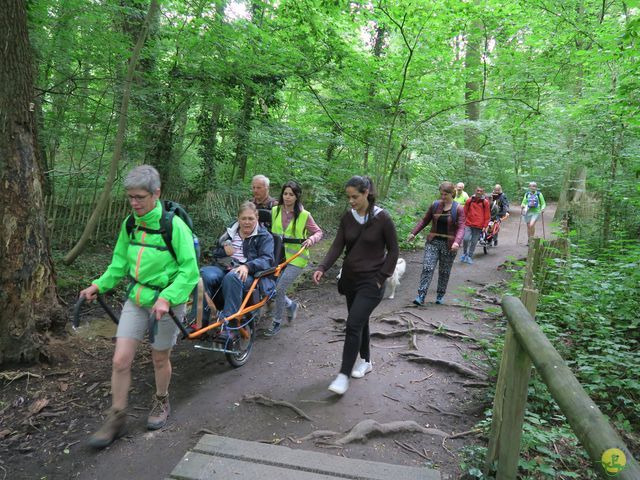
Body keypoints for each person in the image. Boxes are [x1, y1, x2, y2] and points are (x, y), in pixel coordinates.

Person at [79, 165, 199, 448]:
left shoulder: (174, 226)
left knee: (159, 358)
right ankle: (117, 417)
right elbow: (119, 263)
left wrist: (167, 296)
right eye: (130, 197)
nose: (134, 203)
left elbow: (190, 271)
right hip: (136, 299)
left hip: (167, 303)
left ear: (156, 194)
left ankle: (161, 401)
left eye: (140, 197)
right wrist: (99, 285)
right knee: (120, 360)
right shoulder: (130, 224)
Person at [312, 176, 399, 395]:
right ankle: (366, 361)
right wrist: (322, 267)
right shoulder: (347, 219)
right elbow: (336, 246)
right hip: (350, 280)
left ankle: (343, 374)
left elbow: (394, 251)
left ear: (366, 192)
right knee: (359, 321)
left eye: (355, 196)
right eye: (348, 197)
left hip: (372, 282)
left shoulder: (382, 218)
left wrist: (381, 277)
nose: (351, 201)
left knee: (353, 324)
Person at [198, 202, 275, 327]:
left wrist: (247, 266)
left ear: (257, 218)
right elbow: (214, 252)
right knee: (203, 275)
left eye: (251, 219)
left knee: (233, 276)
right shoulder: (229, 233)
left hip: (248, 273)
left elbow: (267, 260)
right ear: (238, 219)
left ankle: (230, 323)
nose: (247, 222)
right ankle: (199, 320)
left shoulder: (265, 236)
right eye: (243, 218)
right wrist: (224, 250)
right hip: (223, 267)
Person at [264, 181, 323, 337]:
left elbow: (318, 232)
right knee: (271, 289)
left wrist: (311, 240)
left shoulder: (304, 215)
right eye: (285, 194)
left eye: (291, 194)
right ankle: (291, 306)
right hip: (277, 256)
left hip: (297, 258)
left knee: (279, 288)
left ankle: (276, 322)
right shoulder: (275, 211)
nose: (288, 197)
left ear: (297, 197)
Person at [407, 181, 465, 305]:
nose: (443, 197)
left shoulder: (458, 208)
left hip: (449, 245)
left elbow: (461, 227)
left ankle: (440, 295)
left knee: (444, 271)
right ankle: (421, 296)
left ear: (452, 193)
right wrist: (413, 233)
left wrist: (457, 242)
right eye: (441, 194)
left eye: (445, 195)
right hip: (433, 242)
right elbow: (424, 221)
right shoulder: (435, 205)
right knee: (427, 268)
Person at [461, 186, 490, 264]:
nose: (479, 192)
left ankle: (469, 256)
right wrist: (462, 222)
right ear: (475, 191)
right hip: (468, 223)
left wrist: (485, 225)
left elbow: (487, 215)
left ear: (483, 192)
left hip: (478, 226)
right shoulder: (469, 201)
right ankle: (464, 254)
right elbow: (464, 212)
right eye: (478, 190)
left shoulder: (485, 202)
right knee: (465, 239)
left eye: (481, 191)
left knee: (474, 242)